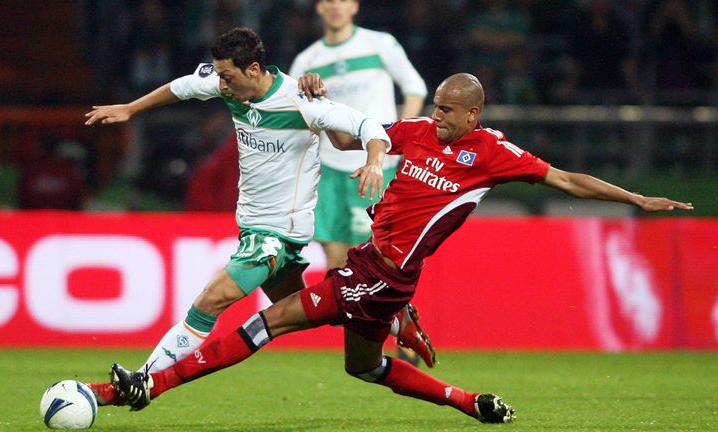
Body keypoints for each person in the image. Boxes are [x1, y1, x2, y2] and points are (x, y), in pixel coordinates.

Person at [107, 73, 693, 422]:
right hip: (377, 271)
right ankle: (467, 400)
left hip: (381, 276)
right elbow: (349, 138)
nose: (435, 116)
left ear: (473, 113)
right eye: (434, 105)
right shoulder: (417, 132)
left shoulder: (492, 154)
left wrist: (635, 199)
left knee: (268, 322)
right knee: (362, 368)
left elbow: (565, 179)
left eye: (446, 110)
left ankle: (152, 385)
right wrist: (320, 99)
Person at [83, 27, 392, 405]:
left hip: (275, 235)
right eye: (219, 76)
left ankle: (143, 380)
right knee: (318, 309)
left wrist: (374, 162)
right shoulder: (229, 86)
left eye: (228, 76)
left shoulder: (301, 101)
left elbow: (367, 127)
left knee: (210, 301)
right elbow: (181, 87)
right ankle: (393, 315)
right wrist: (130, 109)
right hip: (255, 229)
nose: (222, 85)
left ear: (254, 69)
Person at [289, 0, 434, 367]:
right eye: (328, 0)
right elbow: (298, 116)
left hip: (375, 166)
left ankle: (398, 326)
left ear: (354, 6)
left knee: (382, 259)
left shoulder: (379, 43)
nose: (335, 6)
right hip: (329, 169)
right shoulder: (307, 61)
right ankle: (379, 337)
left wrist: (398, 137)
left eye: (343, 0)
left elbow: (415, 87)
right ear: (319, 8)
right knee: (338, 265)